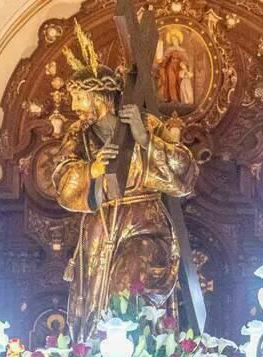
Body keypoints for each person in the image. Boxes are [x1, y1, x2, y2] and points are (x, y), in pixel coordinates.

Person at [54, 21, 198, 337]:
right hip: (100, 228)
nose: (76, 107)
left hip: (144, 223)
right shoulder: (79, 134)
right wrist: (91, 171)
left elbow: (184, 174)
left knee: (128, 280)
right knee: (100, 301)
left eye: (80, 98)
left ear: (101, 96)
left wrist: (145, 140)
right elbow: (63, 181)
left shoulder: (143, 122)